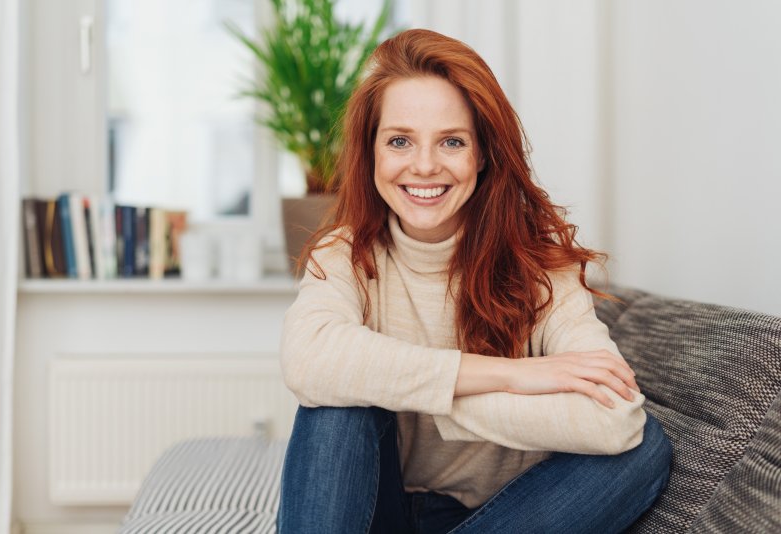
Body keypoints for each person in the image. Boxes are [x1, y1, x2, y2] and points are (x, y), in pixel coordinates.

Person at [277, 29, 672, 534]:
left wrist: (428, 397)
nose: (424, 165)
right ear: (371, 151)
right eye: (399, 140)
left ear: (482, 154)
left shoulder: (540, 267)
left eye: (451, 141)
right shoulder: (345, 254)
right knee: (336, 408)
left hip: (501, 517)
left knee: (646, 449)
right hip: (376, 509)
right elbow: (308, 359)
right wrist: (512, 375)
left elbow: (616, 420)